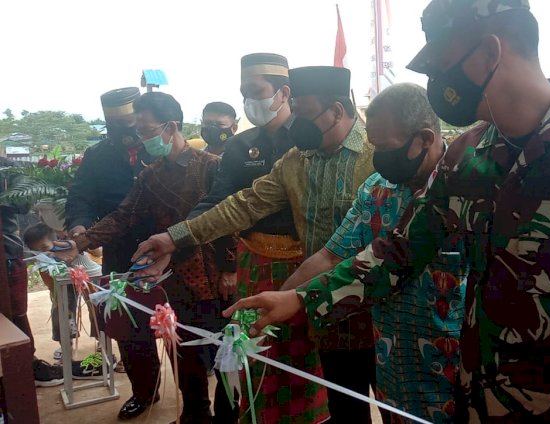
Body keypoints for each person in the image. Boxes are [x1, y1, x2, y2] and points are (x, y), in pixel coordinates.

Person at [223, 1, 550, 422]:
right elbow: (399, 254)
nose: (436, 86)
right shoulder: (467, 156)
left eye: (441, 66)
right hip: (478, 400)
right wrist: (302, 299)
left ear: (489, 53)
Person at [133, 66, 376, 423]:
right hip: (323, 303)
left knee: (394, 404)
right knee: (344, 403)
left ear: (337, 111)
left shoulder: (376, 154)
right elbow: (243, 205)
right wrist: (174, 237)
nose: (298, 125)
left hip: (379, 305)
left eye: (306, 116)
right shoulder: (297, 161)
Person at [278, 83, 464, 423]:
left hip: (452, 371)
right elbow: (331, 256)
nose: (378, 157)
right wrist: (283, 297)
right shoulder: (376, 189)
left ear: (425, 138)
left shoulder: (466, 192)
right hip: (393, 365)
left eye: (385, 147)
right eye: (374, 146)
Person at [58, 92, 229, 424]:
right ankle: (195, 414)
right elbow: (124, 216)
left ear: (171, 126)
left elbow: (228, 223)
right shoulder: (149, 174)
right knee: (183, 349)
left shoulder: (211, 167)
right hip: (169, 272)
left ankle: (227, 416)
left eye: (149, 130)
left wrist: (230, 268)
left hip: (211, 272)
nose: (143, 138)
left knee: (221, 352)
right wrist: (82, 241)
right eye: (141, 131)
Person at [187, 54, 327, 423]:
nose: (249, 101)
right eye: (243, 92)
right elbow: (219, 201)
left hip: (308, 264)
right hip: (255, 262)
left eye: (256, 91)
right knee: (256, 346)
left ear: (283, 92)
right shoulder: (239, 146)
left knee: (303, 353)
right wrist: (179, 236)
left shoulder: (312, 136)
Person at [64, 87, 157, 419]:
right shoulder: (98, 155)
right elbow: (80, 197)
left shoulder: (161, 148)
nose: (126, 133)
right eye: (115, 127)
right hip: (119, 249)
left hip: (168, 248)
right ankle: (145, 391)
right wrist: (79, 226)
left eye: (131, 124)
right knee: (129, 325)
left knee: (181, 321)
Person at [0, 157, 64, 387]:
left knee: (16, 312)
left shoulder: (7, 168)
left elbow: (22, 204)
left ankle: (27, 363)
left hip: (6, 254)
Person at [23, 223, 102, 370]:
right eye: (36, 251)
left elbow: (96, 252)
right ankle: (67, 349)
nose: (42, 253)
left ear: (57, 241)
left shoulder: (68, 246)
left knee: (97, 310)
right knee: (62, 313)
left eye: (45, 248)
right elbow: (53, 287)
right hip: (64, 282)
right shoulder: (43, 260)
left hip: (92, 278)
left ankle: (103, 345)